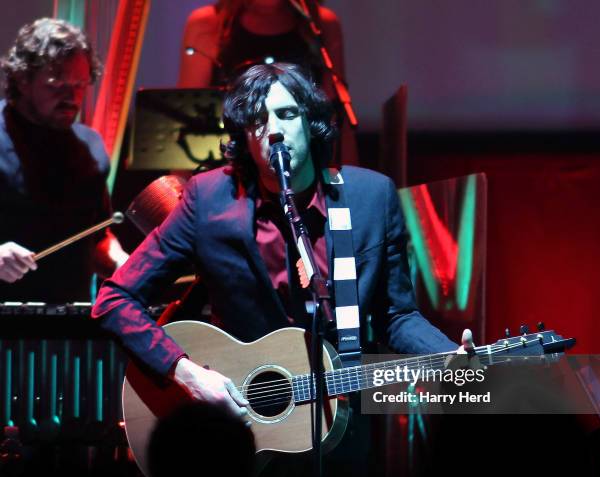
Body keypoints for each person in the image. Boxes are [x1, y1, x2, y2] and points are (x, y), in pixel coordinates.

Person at [92, 63, 467, 425]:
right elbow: (114, 301)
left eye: (287, 114)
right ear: (244, 137)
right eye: (258, 120)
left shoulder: (370, 198)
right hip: (241, 426)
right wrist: (186, 372)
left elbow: (396, 315)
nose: (274, 131)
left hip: (341, 422)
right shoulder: (208, 200)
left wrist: (447, 356)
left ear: (311, 123)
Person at [0, 18, 128, 303]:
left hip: (71, 324)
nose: (71, 97)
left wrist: (120, 263)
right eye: (56, 84)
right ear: (22, 79)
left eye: (81, 84)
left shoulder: (90, 148)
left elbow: (95, 237)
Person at [179, 0, 358, 164]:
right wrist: (182, 185)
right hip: (228, 163)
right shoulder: (209, 22)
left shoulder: (320, 22)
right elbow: (187, 115)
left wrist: (349, 180)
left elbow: (335, 111)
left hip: (303, 166)